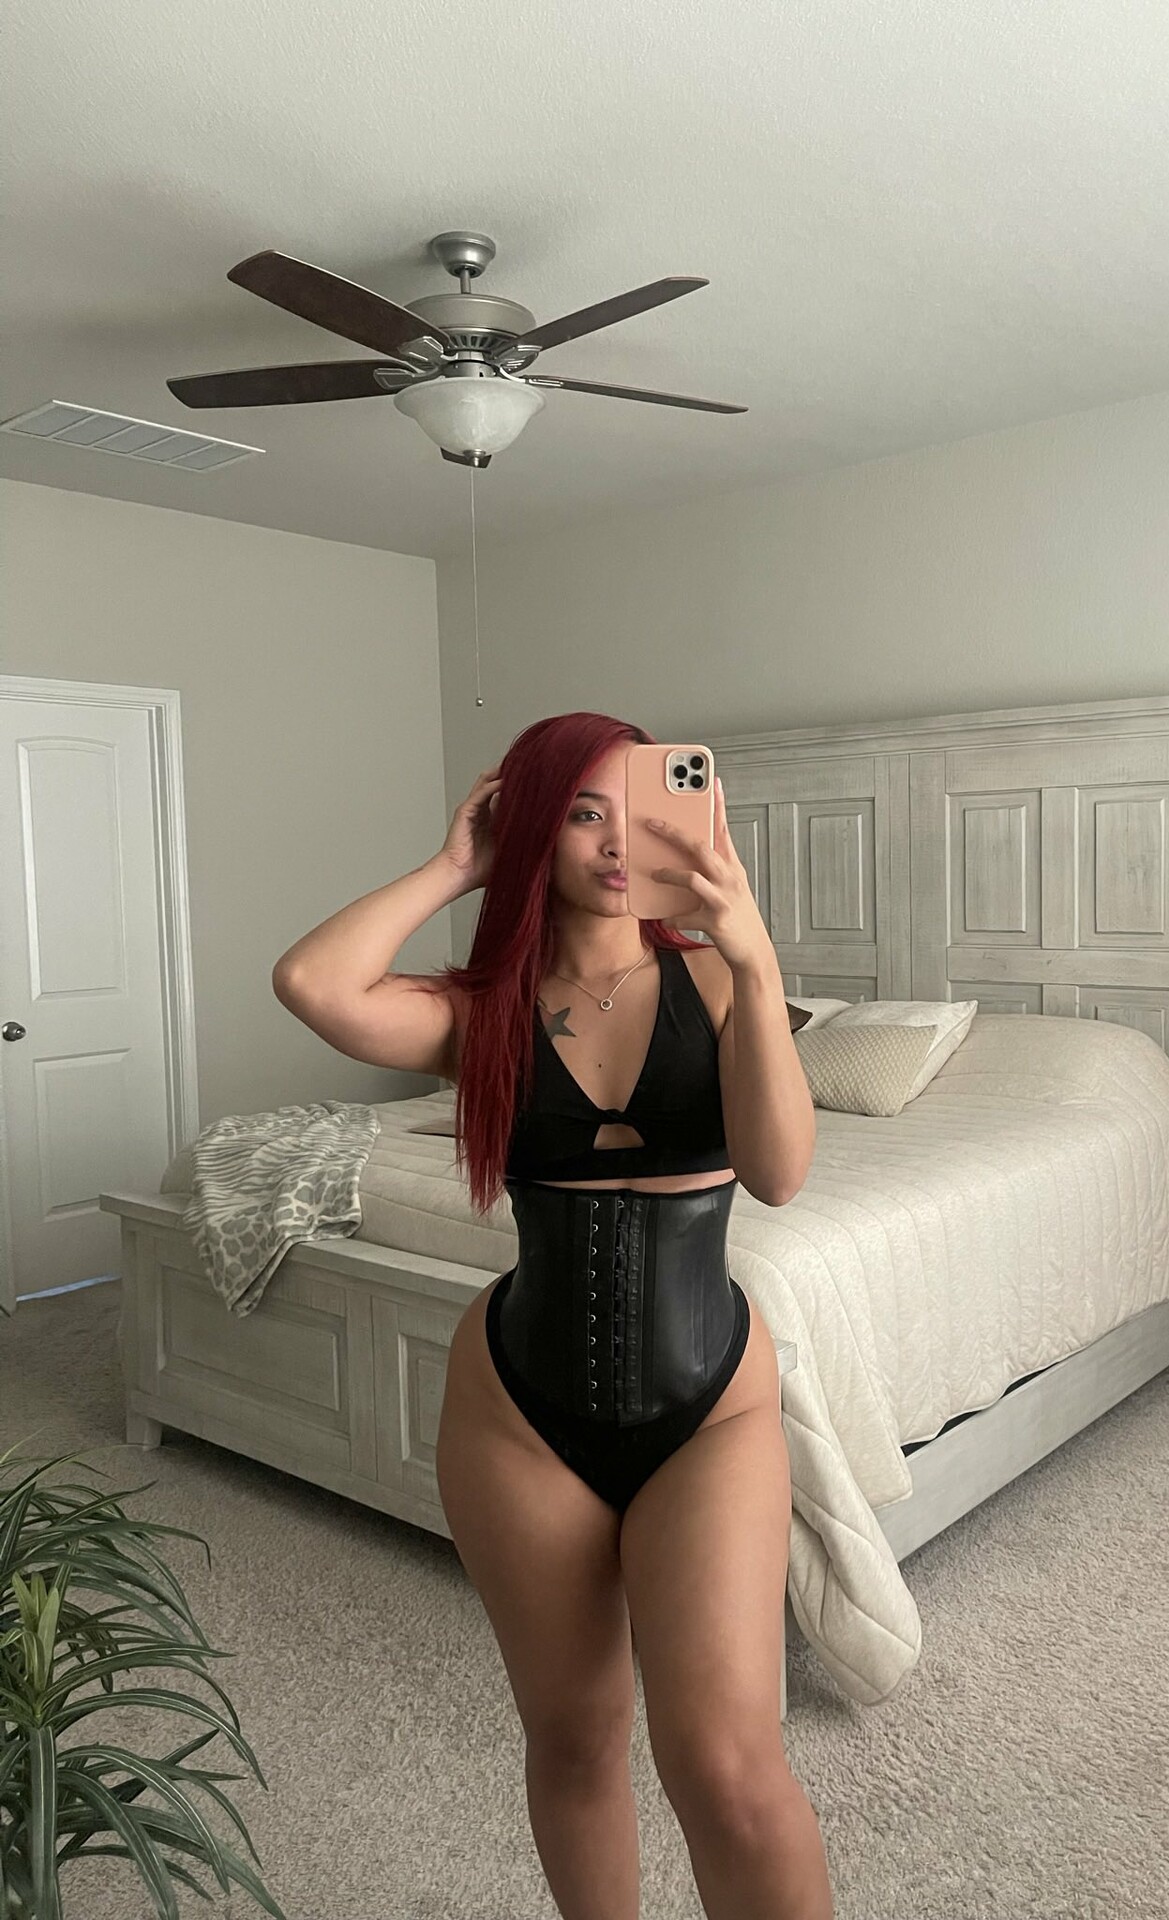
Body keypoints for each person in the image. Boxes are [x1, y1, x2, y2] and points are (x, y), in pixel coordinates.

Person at [273, 711, 834, 1920]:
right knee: (574, 1740)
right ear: (532, 828)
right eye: (582, 813)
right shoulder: (480, 1010)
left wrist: (755, 957)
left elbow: (781, 1173)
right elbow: (312, 984)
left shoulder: (718, 979)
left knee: (728, 1769)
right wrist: (457, 866)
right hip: (518, 1415)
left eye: (639, 811)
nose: (617, 842)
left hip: (710, 1412)